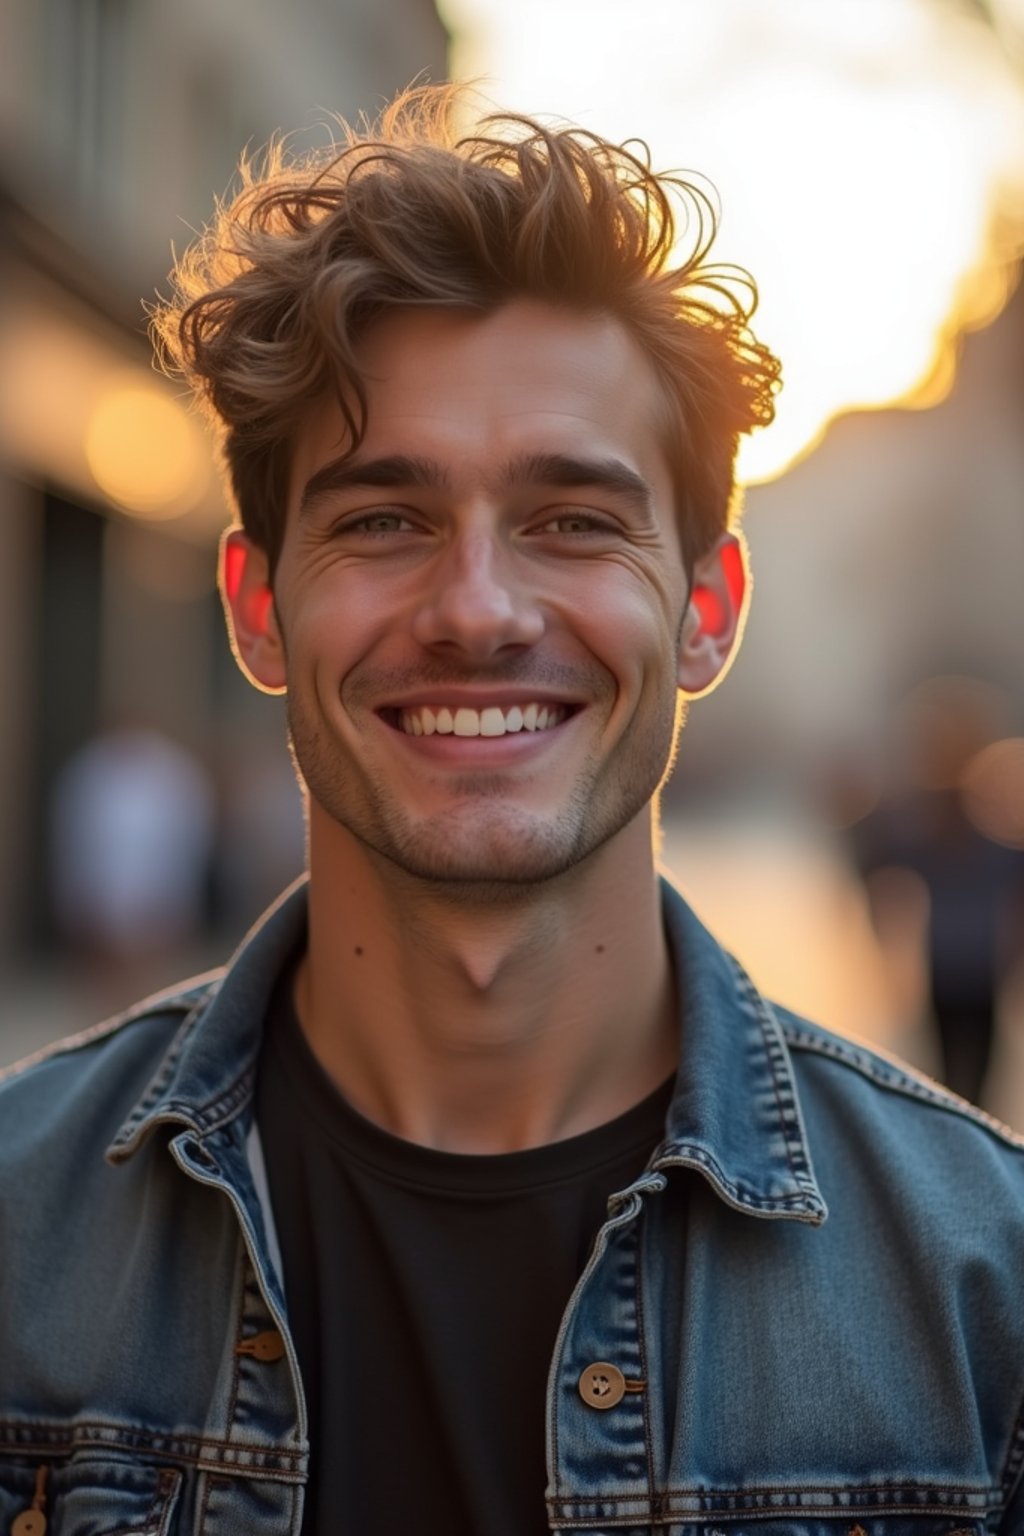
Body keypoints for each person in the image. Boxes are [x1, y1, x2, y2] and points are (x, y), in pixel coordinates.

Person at [2, 86, 1023, 1536]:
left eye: (573, 520)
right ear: (257, 609)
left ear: (708, 614)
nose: (478, 609)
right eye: (382, 520)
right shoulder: (17, 1234)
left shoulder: (985, 1292)